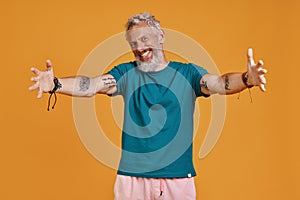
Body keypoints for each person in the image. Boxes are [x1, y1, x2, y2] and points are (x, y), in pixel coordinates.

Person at [29, 12, 267, 200]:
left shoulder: (187, 73)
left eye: (144, 38)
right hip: (131, 181)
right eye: (133, 42)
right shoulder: (124, 73)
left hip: (178, 179)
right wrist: (56, 84)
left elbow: (217, 83)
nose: (139, 47)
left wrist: (247, 79)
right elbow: (91, 85)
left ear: (160, 36)